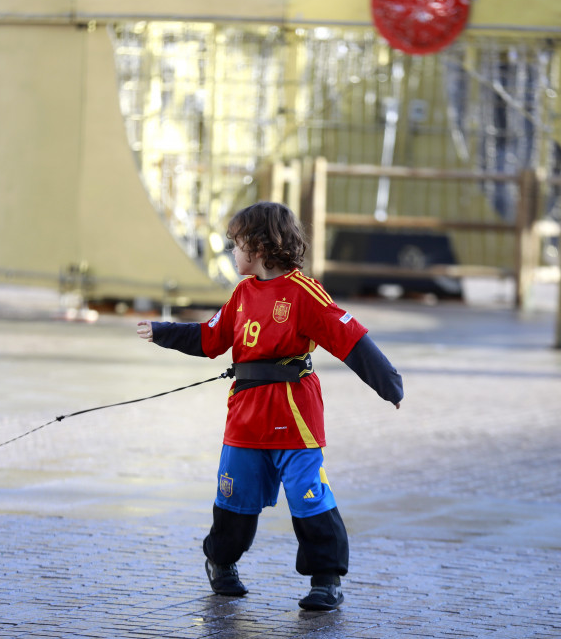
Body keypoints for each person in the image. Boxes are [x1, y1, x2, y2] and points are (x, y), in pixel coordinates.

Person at [137, 201, 403, 611]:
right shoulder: (242, 293)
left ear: (259, 246)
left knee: (309, 497)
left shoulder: (304, 293)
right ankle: (220, 563)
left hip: (295, 419)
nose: (232, 252)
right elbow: (210, 339)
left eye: (236, 243)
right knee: (234, 501)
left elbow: (350, 339)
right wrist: (162, 331)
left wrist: (389, 384)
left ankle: (325, 580)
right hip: (245, 419)